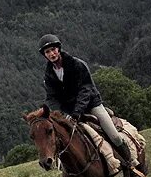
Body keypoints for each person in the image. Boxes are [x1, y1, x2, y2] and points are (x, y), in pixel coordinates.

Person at [39, 34, 134, 168]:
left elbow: (86, 89)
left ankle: (131, 164)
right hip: (69, 111)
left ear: (58, 49)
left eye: (53, 49)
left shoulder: (77, 64)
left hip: (91, 104)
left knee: (114, 136)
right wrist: (62, 114)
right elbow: (51, 98)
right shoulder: (48, 75)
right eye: (47, 52)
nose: (51, 53)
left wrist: (77, 112)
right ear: (45, 55)